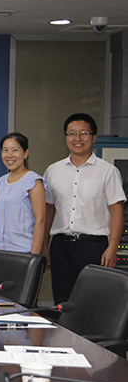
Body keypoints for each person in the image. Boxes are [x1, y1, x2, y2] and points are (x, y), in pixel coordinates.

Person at [44, 113, 126, 304]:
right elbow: (49, 211)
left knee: (92, 302)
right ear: (66, 137)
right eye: (72, 133)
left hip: (93, 247)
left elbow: (117, 211)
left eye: (84, 133)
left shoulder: (107, 171)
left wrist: (113, 248)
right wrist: (44, 245)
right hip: (60, 246)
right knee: (62, 302)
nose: (77, 138)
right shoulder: (53, 171)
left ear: (93, 137)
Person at [0, 132, 46, 254]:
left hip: (23, 250)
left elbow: (40, 220)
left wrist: (34, 256)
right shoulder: (1, 181)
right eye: (5, 150)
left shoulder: (33, 181)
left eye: (15, 150)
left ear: (25, 153)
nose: (9, 155)